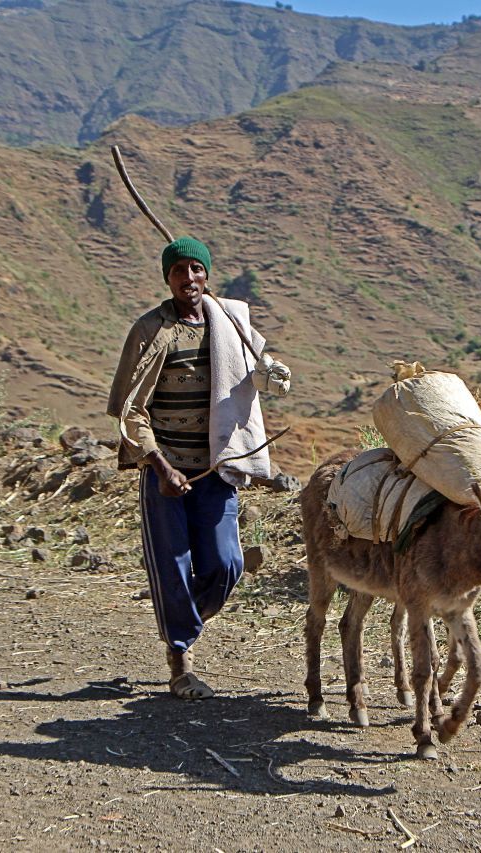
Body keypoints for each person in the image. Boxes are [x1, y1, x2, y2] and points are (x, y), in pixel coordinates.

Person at [107, 236, 290, 699]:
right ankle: (181, 660)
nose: (188, 279)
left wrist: (272, 374)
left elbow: (255, 371)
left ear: (207, 273)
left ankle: (182, 620)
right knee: (171, 566)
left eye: (196, 269)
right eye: (179, 271)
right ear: (166, 278)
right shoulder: (150, 330)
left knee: (227, 563)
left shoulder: (229, 323)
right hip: (165, 473)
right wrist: (160, 465)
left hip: (216, 467)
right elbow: (130, 410)